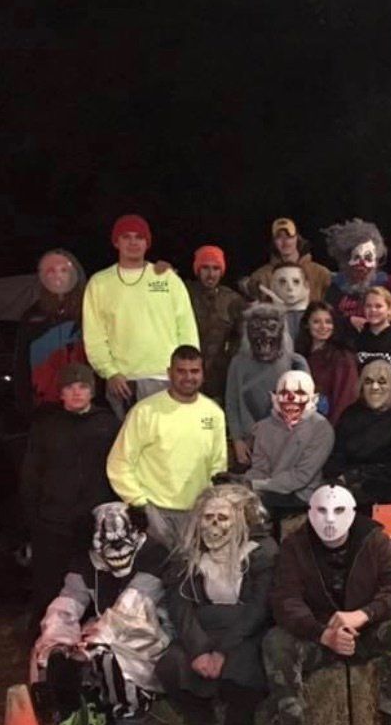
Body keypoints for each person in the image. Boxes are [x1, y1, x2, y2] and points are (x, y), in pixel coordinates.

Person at [262, 481, 391, 725]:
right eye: (322, 511)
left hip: (364, 630)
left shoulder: (374, 540)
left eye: (338, 511)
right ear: (310, 512)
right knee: (276, 641)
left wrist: (364, 614)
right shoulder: (295, 547)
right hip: (318, 636)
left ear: (352, 512)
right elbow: (285, 600)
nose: (329, 520)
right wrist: (321, 633)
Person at [30, 500, 171, 725]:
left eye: (122, 538)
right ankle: (68, 718)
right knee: (47, 651)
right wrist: (56, 642)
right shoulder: (86, 562)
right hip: (105, 628)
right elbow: (68, 601)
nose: (117, 547)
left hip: (153, 631)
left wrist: (87, 646)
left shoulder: (154, 554)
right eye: (106, 540)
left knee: (109, 654)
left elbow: (134, 607)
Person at [156, 482, 278, 725]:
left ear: (239, 520)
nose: (214, 525)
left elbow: (259, 608)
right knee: (171, 665)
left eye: (222, 518)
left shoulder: (262, 553)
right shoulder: (186, 557)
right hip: (203, 630)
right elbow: (180, 606)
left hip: (244, 632)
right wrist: (198, 650)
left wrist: (223, 651)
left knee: (245, 664)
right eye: (207, 518)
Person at [19, 362, 117, 633]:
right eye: (70, 388)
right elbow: (31, 474)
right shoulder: (46, 426)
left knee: (96, 584)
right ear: (60, 393)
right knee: (49, 586)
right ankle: (46, 644)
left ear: (92, 391)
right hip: (53, 523)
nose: (77, 393)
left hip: (95, 524)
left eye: (83, 386)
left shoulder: (108, 424)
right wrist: (34, 518)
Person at [106, 345, 229, 550]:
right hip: (155, 515)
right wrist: (141, 505)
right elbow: (119, 463)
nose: (188, 377)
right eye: (181, 371)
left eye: (194, 371)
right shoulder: (145, 412)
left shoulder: (214, 414)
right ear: (169, 373)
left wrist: (211, 508)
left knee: (190, 579)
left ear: (203, 374)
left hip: (198, 515)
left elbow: (218, 465)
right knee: (151, 579)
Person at [82, 215, 200, 420]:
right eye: (126, 237)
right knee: (132, 448)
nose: (133, 242)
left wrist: (187, 372)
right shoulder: (99, 283)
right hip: (125, 383)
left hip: (168, 378)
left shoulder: (167, 278)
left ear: (147, 243)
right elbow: (94, 335)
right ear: (116, 242)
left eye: (139, 237)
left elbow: (186, 327)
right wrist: (110, 372)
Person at [224, 302, 310, 466]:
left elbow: (305, 408)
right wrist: (237, 440)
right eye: (256, 328)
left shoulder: (296, 363)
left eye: (271, 327)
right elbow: (232, 402)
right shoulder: (238, 362)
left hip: (286, 441)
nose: (263, 333)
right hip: (250, 444)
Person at [249, 369, 335, 526]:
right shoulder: (263, 427)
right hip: (268, 492)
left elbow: (301, 477)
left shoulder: (322, 429)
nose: (291, 398)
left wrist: (255, 485)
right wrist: (242, 482)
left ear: (313, 399)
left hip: (302, 499)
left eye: (300, 392)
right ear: (274, 397)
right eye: (284, 392)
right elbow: (259, 468)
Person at [13, 248, 89, 414]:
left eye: (64, 271)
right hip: (46, 405)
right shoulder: (32, 316)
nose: (57, 276)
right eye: (51, 271)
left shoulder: (89, 311)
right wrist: (24, 405)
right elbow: (21, 364)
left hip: (83, 403)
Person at [332, 355, 391, 508]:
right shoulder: (350, 414)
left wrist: (354, 476)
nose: (375, 387)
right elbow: (336, 454)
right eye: (368, 382)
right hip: (344, 491)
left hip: (389, 497)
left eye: (382, 382)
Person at [190, 245, 242, 405]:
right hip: (188, 373)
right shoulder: (185, 293)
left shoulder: (232, 299)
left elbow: (240, 338)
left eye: (216, 268)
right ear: (198, 270)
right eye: (205, 268)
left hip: (220, 378)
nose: (211, 274)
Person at [242, 215, 332, 308]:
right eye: (279, 237)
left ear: (297, 238)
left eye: (289, 236)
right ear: (273, 241)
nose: (285, 242)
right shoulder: (261, 276)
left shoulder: (321, 273)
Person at [296, 301, 359, 423]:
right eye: (316, 322)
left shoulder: (343, 358)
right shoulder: (298, 355)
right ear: (306, 324)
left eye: (328, 322)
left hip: (328, 425)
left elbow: (345, 400)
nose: (323, 326)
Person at [324, 220, 389, 329]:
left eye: (368, 258)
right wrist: (349, 321)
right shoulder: (336, 287)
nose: (361, 264)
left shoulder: (383, 286)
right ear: (346, 260)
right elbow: (327, 318)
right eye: (356, 257)